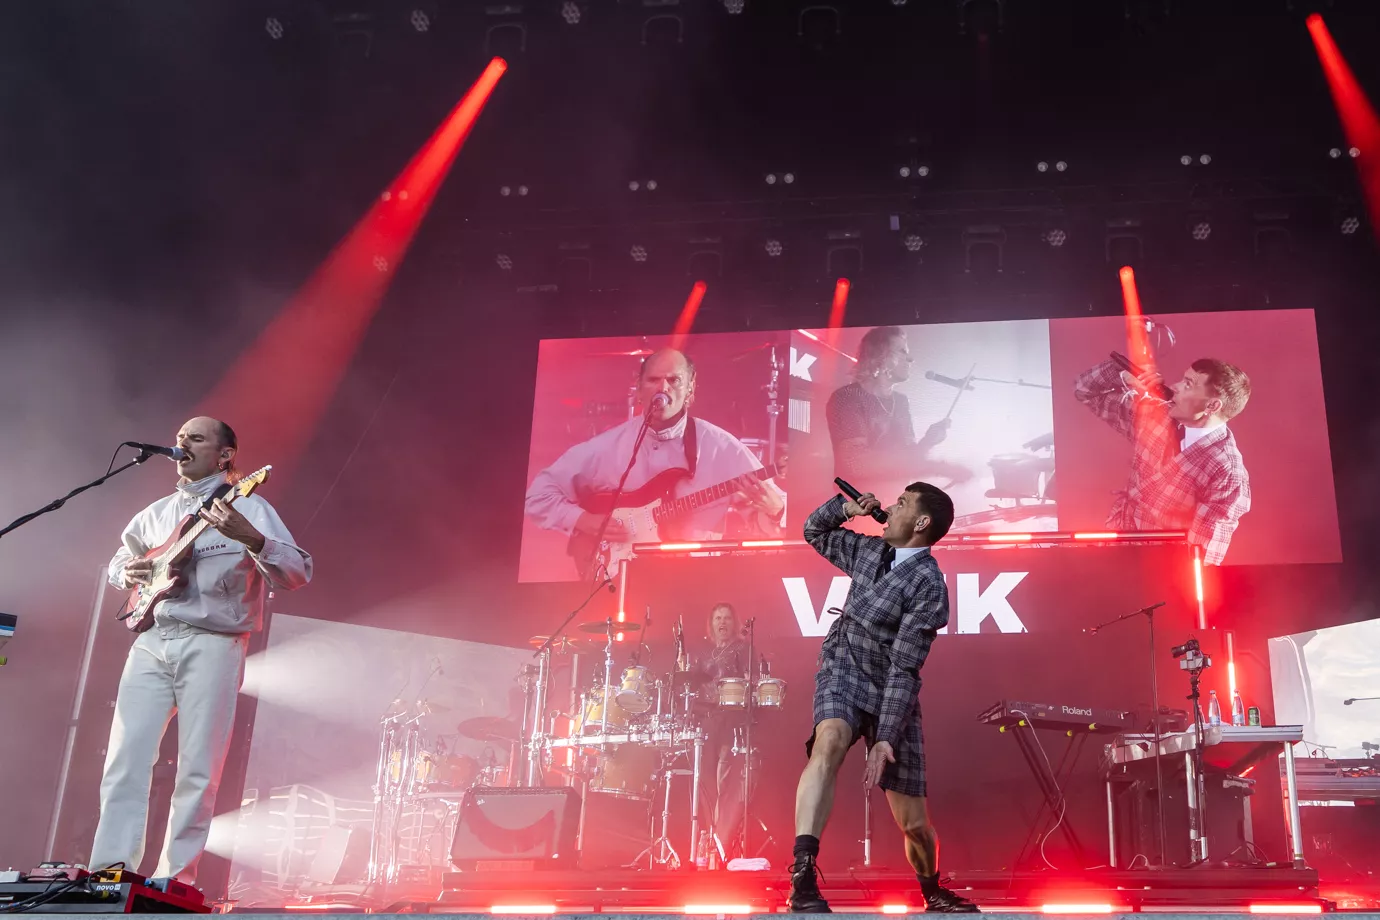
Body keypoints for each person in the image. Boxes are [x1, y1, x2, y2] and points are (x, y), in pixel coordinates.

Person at [90, 417, 313, 884]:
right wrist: (128, 572)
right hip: (152, 641)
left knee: (197, 769)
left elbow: (297, 572)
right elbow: (119, 561)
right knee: (124, 760)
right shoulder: (156, 513)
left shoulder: (250, 505)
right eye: (180, 437)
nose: (182, 444)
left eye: (195, 438)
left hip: (214, 641)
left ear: (225, 455)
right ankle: (109, 873)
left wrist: (252, 538)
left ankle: (175, 881)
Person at [788, 483, 976, 913]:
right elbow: (814, 531)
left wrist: (886, 736)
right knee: (829, 741)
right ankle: (803, 871)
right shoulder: (869, 550)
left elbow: (905, 668)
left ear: (921, 522)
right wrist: (846, 509)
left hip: (892, 689)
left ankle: (932, 889)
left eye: (902, 504)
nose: (889, 507)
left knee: (915, 824)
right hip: (843, 667)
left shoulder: (929, 584)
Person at [525, 348, 786, 577]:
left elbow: (771, 519)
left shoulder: (723, 448)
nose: (663, 388)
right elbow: (538, 495)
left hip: (696, 580)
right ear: (638, 389)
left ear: (690, 389)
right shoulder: (607, 447)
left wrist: (777, 512)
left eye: (674, 380)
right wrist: (583, 520)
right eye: (653, 380)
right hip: (617, 582)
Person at [1074, 357, 1251, 565]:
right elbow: (1085, 390)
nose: (1174, 386)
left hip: (1162, 567)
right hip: (1116, 549)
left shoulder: (1226, 470)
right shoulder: (1155, 416)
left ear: (1212, 405)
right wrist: (1124, 377)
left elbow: (1202, 554)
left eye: (1188, 384)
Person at [825, 326, 949, 482]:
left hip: (899, 496)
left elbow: (910, 459)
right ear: (879, 357)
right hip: (860, 498)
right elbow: (857, 464)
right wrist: (937, 467)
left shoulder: (901, 401)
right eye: (902, 351)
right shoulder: (848, 397)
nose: (910, 359)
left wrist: (928, 441)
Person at [683, 602, 757, 860]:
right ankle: (706, 834)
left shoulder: (743, 649)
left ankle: (723, 838)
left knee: (724, 779)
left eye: (726, 617)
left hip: (732, 720)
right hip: (705, 721)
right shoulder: (702, 653)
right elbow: (690, 683)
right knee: (704, 780)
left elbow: (752, 681)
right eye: (718, 618)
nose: (722, 622)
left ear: (734, 623)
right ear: (711, 623)